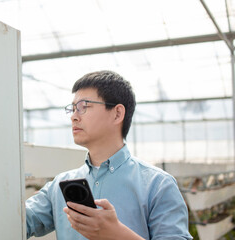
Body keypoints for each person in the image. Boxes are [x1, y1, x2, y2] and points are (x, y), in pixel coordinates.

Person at [26, 70, 192, 240]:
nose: (74, 117)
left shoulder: (158, 186)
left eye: (84, 107)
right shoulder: (59, 186)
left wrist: (117, 234)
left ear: (117, 113)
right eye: (73, 109)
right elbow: (18, 220)